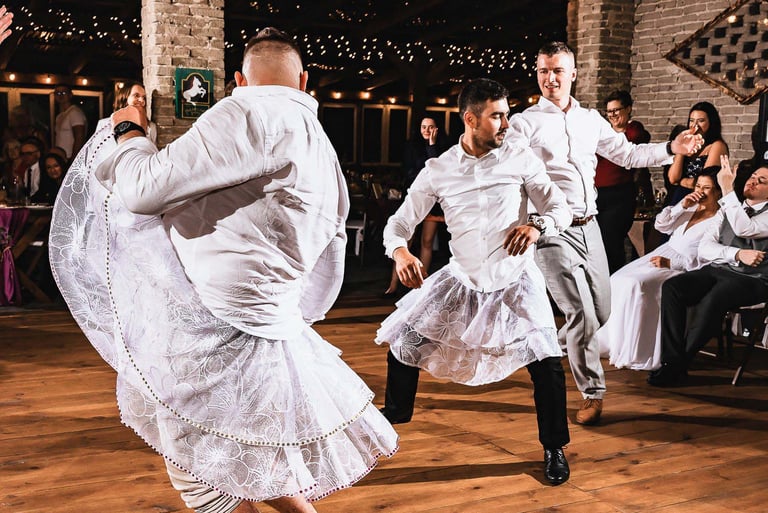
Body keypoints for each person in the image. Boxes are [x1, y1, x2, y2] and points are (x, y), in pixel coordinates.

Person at [50, 27, 398, 513]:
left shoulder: (246, 112)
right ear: (304, 81)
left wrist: (128, 132)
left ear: (238, 79)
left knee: (202, 471)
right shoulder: (323, 148)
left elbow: (143, 191)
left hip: (214, 327)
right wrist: (291, 315)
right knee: (247, 463)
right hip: (272, 327)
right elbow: (331, 254)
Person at [376, 78, 573, 485]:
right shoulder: (439, 169)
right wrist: (400, 251)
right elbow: (398, 224)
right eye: (497, 116)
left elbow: (559, 206)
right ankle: (394, 415)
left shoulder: (520, 158)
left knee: (548, 363)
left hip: (516, 278)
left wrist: (538, 226)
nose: (506, 123)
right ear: (470, 119)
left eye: (507, 114)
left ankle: (554, 448)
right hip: (462, 279)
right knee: (405, 341)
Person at [505, 41, 703, 426]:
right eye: (544, 71)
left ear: (573, 74)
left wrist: (670, 148)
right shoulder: (523, 124)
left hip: (590, 225)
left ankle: (544, 347)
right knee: (579, 311)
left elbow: (628, 155)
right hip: (551, 230)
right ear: (538, 73)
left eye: (558, 71)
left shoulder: (590, 120)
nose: (551, 79)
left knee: (601, 311)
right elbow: (511, 176)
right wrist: (523, 222)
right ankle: (592, 394)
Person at [649, 157, 768, 387]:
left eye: (761, 181)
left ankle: (676, 366)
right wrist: (736, 254)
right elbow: (705, 247)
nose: (753, 182)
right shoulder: (728, 208)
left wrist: (726, 189)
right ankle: (674, 362)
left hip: (754, 280)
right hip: (719, 269)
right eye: (753, 177)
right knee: (673, 287)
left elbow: (747, 228)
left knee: (714, 298)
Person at [595, 173, 721, 371]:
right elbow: (661, 225)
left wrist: (672, 263)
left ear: (718, 192)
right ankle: (615, 343)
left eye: (706, 188)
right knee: (617, 278)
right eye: (698, 186)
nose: (700, 192)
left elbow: (708, 256)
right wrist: (682, 206)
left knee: (637, 284)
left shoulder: (719, 220)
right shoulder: (690, 209)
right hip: (661, 253)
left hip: (682, 264)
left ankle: (638, 350)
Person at [384, 116, 449, 295]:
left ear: (437, 129)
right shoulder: (411, 146)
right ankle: (393, 284)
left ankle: (420, 288)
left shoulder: (443, 148)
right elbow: (411, 171)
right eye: (423, 127)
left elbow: (436, 169)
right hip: (414, 196)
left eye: (431, 127)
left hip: (434, 202)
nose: (427, 131)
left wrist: (432, 145)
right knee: (404, 241)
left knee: (426, 242)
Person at [594, 90, 651, 273]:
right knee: (597, 244)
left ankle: (615, 285)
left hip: (619, 194)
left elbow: (633, 142)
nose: (612, 115)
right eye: (609, 112)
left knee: (611, 242)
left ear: (628, 109)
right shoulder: (602, 133)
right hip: (596, 194)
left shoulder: (634, 129)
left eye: (616, 110)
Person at [666, 101, 728, 205]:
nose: (695, 126)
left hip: (701, 201)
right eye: (691, 121)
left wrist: (681, 182)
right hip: (678, 197)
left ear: (711, 123)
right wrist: (683, 149)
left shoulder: (717, 146)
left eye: (701, 121)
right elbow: (673, 178)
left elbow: (704, 183)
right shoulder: (687, 144)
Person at [53, 84, 87, 162]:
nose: (60, 95)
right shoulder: (60, 116)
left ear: (70, 95)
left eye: (64, 93)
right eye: (57, 93)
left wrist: (73, 159)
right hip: (60, 158)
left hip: (70, 157)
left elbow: (79, 137)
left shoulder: (74, 112)